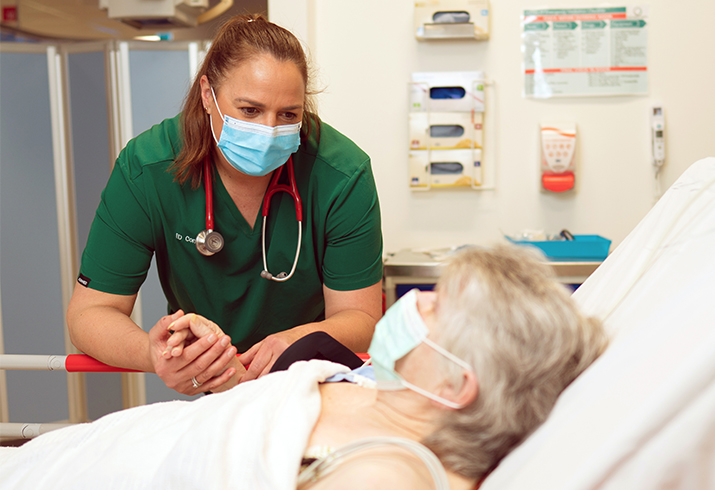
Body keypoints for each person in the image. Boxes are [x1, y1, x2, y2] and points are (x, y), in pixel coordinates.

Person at [8, 245, 608, 489]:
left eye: (435, 305)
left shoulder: (391, 473)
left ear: (456, 383)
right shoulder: (376, 393)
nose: (410, 302)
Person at [66, 14, 383, 395]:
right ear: (207, 94)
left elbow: (361, 316)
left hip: (311, 379)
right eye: (250, 110)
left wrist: (299, 341)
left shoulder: (341, 174)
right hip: (207, 387)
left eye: (288, 115)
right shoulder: (148, 167)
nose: (269, 131)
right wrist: (159, 355)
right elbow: (89, 314)